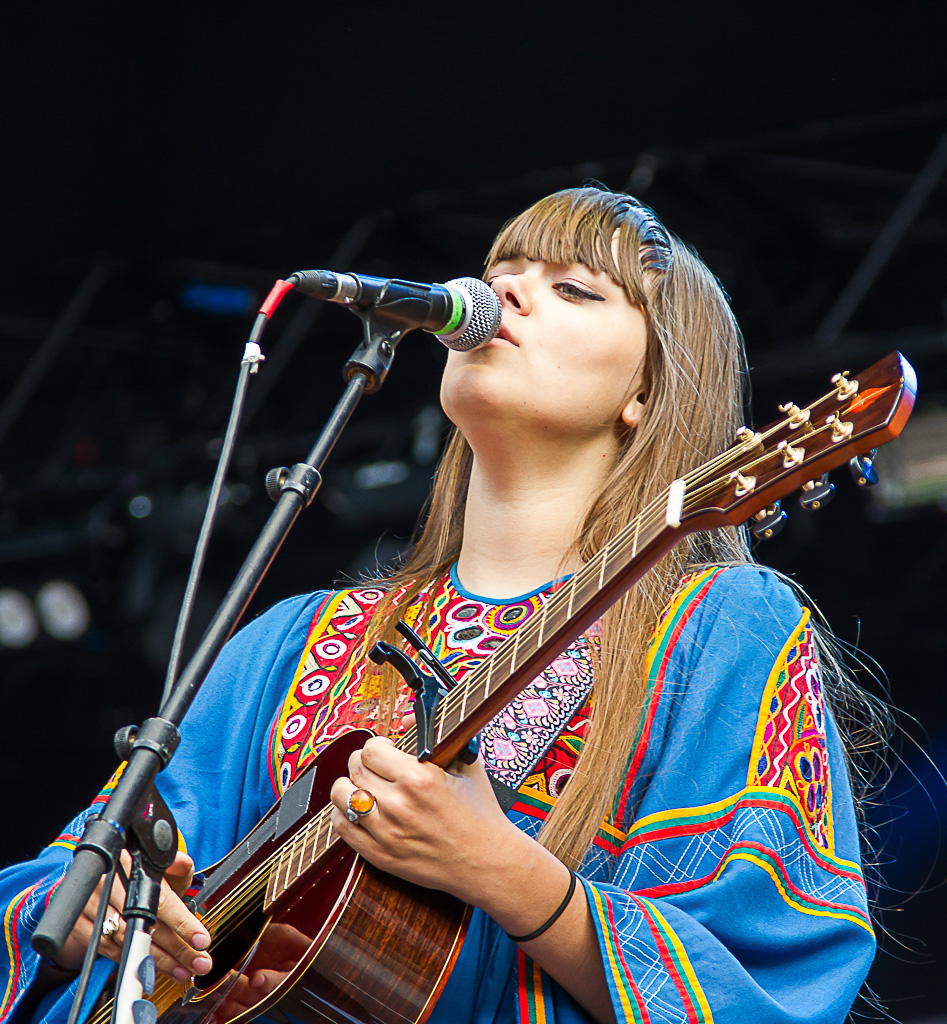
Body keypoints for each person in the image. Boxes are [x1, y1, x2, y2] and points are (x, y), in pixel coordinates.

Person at [0, 186, 880, 1024]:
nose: (506, 292)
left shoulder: (720, 625)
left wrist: (509, 874)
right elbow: (49, 887)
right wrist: (97, 913)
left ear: (645, 394)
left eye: (573, 288)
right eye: (503, 272)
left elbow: (772, 977)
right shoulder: (288, 642)